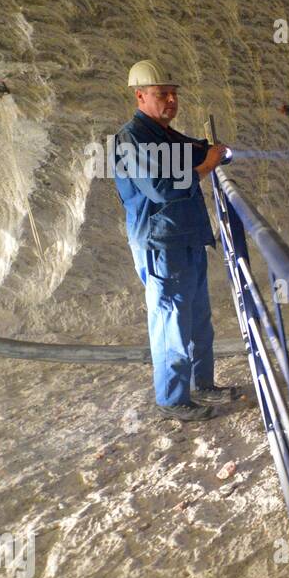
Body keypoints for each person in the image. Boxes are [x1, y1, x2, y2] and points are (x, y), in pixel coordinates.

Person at [113, 59, 238, 421]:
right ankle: (172, 399)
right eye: (161, 94)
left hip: (186, 237)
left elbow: (196, 151)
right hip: (160, 243)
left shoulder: (164, 134)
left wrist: (215, 152)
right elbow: (162, 188)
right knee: (171, 321)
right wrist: (209, 164)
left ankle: (204, 384)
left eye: (173, 94)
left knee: (198, 319)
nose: (170, 100)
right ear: (140, 96)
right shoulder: (131, 138)